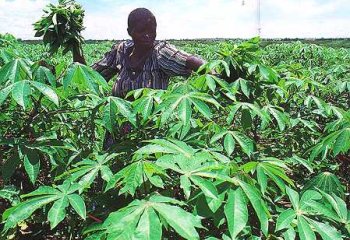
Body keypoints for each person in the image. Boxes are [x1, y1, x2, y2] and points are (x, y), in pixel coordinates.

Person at [91, 8, 205, 149]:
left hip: (149, 136)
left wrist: (215, 70)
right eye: (141, 31)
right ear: (129, 32)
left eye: (152, 30)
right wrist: (75, 45)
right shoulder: (121, 51)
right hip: (116, 133)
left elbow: (189, 61)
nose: (148, 35)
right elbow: (90, 76)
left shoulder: (160, 52)